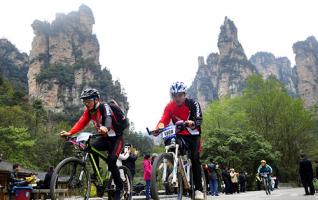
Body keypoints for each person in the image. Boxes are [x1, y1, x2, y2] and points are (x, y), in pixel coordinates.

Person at [60, 88, 128, 200]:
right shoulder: (89, 111)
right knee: (90, 148)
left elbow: (108, 118)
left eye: (89, 101)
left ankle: (120, 188)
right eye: (85, 101)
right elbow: (81, 122)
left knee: (111, 162)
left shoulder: (104, 106)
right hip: (104, 138)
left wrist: (106, 127)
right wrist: (70, 132)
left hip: (117, 139)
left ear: (96, 100)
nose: (86, 103)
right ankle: (97, 174)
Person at [153, 82, 204, 200]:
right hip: (180, 134)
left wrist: (193, 122)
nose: (177, 98)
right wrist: (158, 128)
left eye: (180, 95)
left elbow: (199, 118)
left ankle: (198, 190)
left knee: (195, 158)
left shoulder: (193, 103)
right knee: (171, 146)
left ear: (184, 94)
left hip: (193, 134)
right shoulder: (169, 106)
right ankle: (175, 170)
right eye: (174, 95)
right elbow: (164, 120)